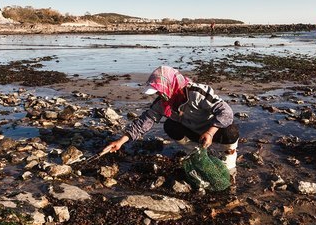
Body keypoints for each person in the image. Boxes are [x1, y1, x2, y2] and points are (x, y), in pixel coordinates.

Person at [102, 66, 239, 171]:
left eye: (160, 92)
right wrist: (120, 141)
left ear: (170, 85)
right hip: (194, 133)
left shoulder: (197, 93)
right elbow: (144, 122)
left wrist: (210, 132)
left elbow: (226, 111)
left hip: (213, 129)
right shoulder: (162, 103)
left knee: (231, 132)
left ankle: (229, 154)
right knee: (170, 126)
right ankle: (195, 151)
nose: (160, 96)